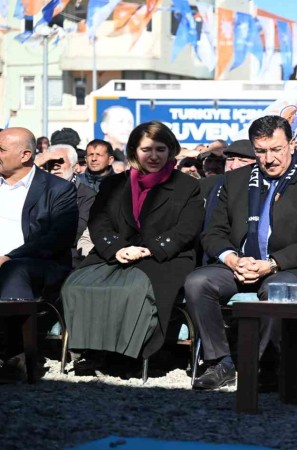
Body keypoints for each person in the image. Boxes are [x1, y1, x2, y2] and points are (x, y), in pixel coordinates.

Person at [184, 115, 297, 391]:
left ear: (291, 144)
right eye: (260, 151)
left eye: (276, 149)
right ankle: (220, 362)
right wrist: (232, 259)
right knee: (198, 282)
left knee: (277, 289)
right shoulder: (235, 180)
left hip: (296, 268)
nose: (269, 159)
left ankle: (268, 364)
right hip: (241, 264)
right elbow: (213, 233)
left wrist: (272, 264)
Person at [62, 121, 204, 368]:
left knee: (132, 289)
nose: (154, 156)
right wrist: (117, 248)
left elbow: (187, 228)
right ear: (134, 152)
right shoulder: (113, 184)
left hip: (165, 257)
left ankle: (130, 356)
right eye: (146, 149)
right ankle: (92, 350)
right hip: (117, 252)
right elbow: (99, 222)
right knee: (76, 284)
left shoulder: (187, 185)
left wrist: (151, 249)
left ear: (171, 150)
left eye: (160, 149)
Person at [0, 128, 78, 371]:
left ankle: (16, 356)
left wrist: (8, 256)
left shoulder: (57, 189)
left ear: (25, 155)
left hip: (39, 264)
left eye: (1, 149)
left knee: (15, 270)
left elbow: (57, 238)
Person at [35, 144, 97, 265]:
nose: (55, 166)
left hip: (68, 260)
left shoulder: (87, 196)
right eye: (50, 162)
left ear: (75, 167)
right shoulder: (37, 191)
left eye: (60, 161)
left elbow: (75, 232)